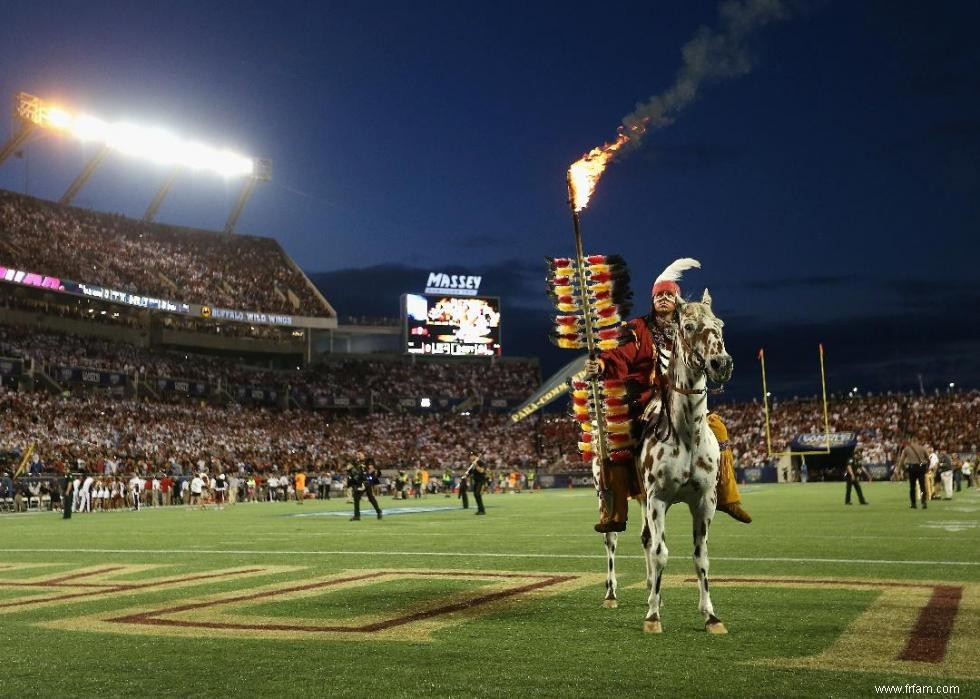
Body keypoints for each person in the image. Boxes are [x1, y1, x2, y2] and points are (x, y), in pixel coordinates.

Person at [583, 258, 752, 533]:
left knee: (719, 429)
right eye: (658, 295)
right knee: (617, 443)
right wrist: (601, 364)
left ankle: (727, 498)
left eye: (668, 294)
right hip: (645, 400)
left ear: (677, 300)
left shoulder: (688, 328)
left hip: (684, 400)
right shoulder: (638, 328)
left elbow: (703, 355)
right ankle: (616, 512)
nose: (663, 299)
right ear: (653, 300)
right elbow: (619, 353)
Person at [896, 435, 929, 509]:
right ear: (917, 441)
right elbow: (928, 458)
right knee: (922, 486)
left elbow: (901, 461)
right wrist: (927, 467)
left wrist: (898, 470)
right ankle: (924, 502)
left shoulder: (906, 449)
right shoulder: (922, 448)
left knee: (912, 487)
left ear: (911, 441)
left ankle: (913, 503)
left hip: (912, 468)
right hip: (921, 467)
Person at [347, 452, 382, 521]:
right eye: (357, 454)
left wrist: (366, 476)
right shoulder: (356, 463)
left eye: (359, 454)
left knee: (357, 497)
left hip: (365, 482)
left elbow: (372, 469)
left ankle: (357, 516)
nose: (358, 455)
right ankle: (378, 511)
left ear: (364, 455)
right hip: (361, 482)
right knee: (370, 497)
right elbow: (350, 470)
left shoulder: (368, 461)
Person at [467, 451, 487, 515]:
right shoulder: (472, 464)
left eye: (471, 456)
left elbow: (482, 471)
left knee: (478, 494)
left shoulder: (480, 462)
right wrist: (466, 475)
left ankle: (482, 510)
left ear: (475, 456)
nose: (470, 457)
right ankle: (480, 510)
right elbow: (469, 472)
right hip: (476, 481)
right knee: (476, 495)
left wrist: (476, 465)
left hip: (481, 481)